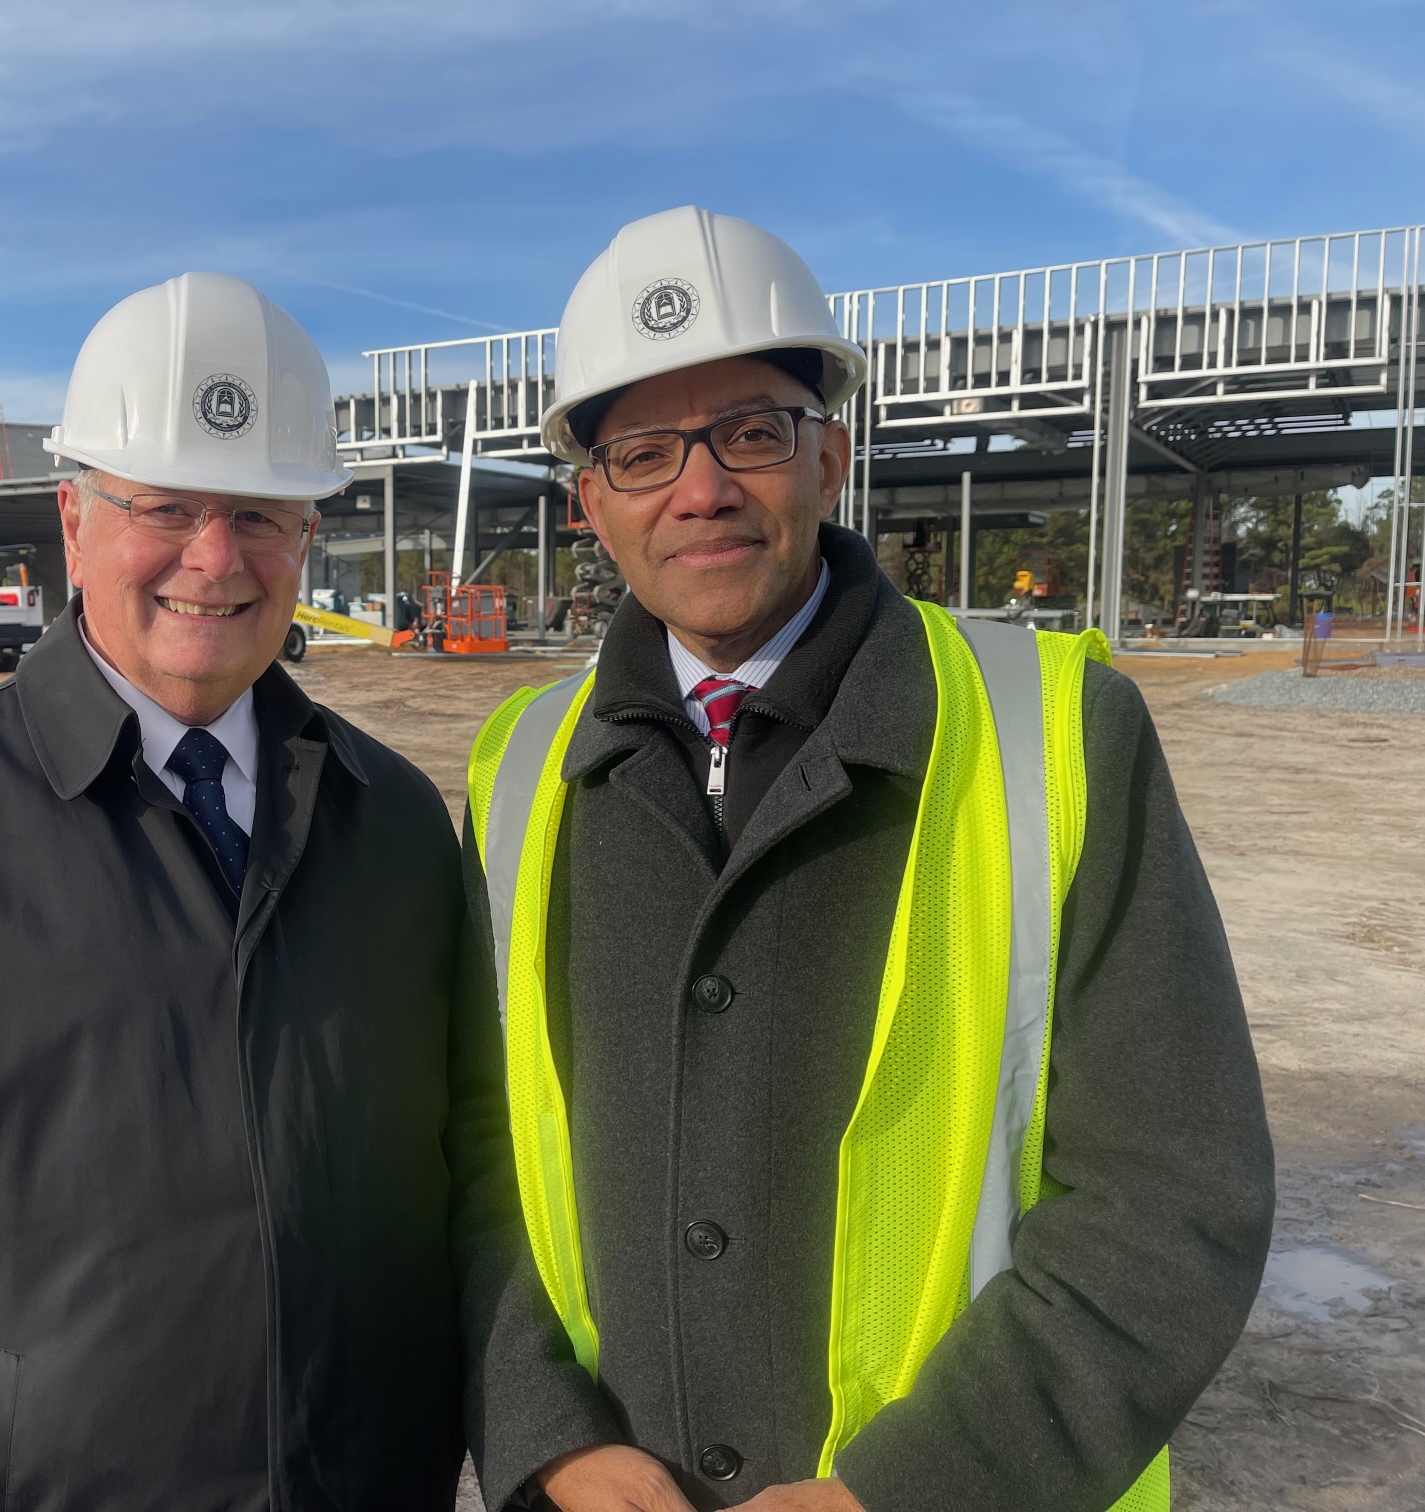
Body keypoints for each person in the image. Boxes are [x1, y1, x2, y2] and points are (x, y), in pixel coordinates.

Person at [453, 208, 1273, 1512]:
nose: (702, 486)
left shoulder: (1055, 734)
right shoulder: (520, 770)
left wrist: (912, 1488)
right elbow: (479, 1153)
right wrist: (547, 1432)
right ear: (588, 506)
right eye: (646, 452)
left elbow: (1172, 1197)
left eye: (753, 432)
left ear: (830, 457)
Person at [0, 272, 471, 1510]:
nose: (215, 560)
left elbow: (470, 1179)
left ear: (308, 534)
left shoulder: (396, 824)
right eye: (164, 506)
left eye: (262, 513)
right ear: (74, 518)